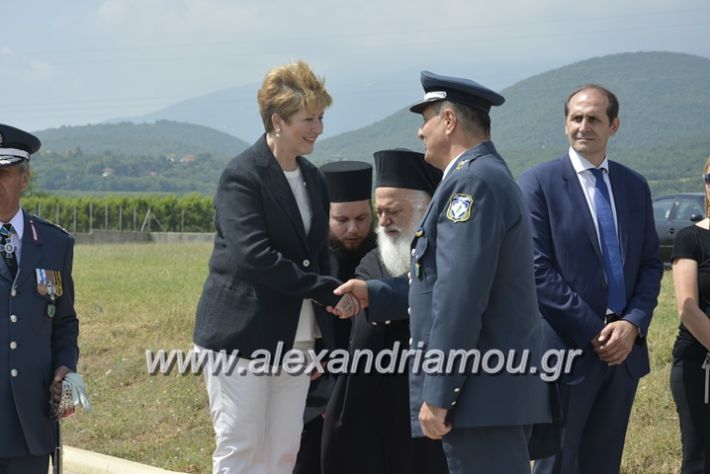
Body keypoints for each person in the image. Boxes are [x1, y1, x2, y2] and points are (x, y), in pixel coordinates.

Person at [332, 71, 552, 474]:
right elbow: (441, 283)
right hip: (489, 392)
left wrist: (438, 393)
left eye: (425, 119)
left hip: (480, 394)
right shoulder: (484, 176)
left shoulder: (471, 184)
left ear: (449, 121)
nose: (420, 132)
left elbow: (460, 297)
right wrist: (376, 294)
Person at [192, 61, 344, 474]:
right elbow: (252, 256)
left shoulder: (314, 178)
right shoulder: (242, 176)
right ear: (277, 121)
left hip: (297, 339)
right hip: (240, 337)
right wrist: (320, 288)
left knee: (282, 453)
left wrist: (326, 316)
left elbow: (318, 253)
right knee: (241, 448)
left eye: (321, 117)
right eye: (308, 119)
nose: (317, 128)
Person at [518, 84, 663, 474]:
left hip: (624, 353)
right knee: (556, 462)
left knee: (603, 462)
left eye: (594, 118)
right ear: (565, 123)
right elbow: (536, 269)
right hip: (567, 350)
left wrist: (631, 323)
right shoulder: (537, 184)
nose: (584, 126)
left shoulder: (634, 186)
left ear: (613, 125)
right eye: (576, 117)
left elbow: (651, 264)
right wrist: (594, 330)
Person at [321, 148, 448, 474]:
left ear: (425, 210)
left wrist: (379, 296)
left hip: (430, 406)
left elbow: (440, 295)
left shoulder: (451, 256)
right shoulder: (373, 261)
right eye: (381, 213)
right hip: (372, 409)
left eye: (395, 211)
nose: (385, 222)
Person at [0, 124, 80, 474]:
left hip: (28, 424)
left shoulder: (54, 245)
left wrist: (66, 367)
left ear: (24, 178)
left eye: (2, 173)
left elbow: (63, 322)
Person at [294, 160, 376, 474]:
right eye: (341, 220)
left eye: (361, 218)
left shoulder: (386, 258)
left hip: (373, 396)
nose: (353, 229)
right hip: (314, 403)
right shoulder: (305, 265)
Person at [670, 156, 710, 474]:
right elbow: (687, 307)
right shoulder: (690, 237)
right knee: (700, 459)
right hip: (699, 364)